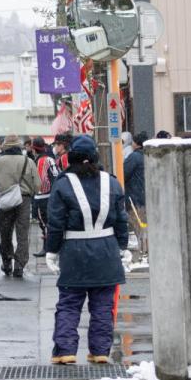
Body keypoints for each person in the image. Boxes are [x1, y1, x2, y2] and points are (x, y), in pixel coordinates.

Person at [46, 134, 130, 365]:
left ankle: (65, 351)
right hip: (106, 251)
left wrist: (51, 251)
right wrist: (123, 246)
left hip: (74, 252)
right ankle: (100, 350)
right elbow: (121, 220)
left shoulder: (63, 184)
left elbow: (56, 222)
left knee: (69, 304)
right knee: (103, 305)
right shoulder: (111, 182)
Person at [0, 135, 40, 278]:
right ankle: (19, 265)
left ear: (5, 146)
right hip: (24, 201)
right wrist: (29, 191)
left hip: (5, 199)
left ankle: (7, 262)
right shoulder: (28, 161)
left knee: (5, 233)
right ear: (19, 146)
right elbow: (37, 185)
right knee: (22, 234)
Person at [30, 137, 58, 256]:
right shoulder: (50, 158)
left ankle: (47, 248)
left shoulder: (41, 161)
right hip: (53, 195)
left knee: (45, 224)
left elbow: (41, 183)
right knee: (51, 222)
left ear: (34, 149)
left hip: (43, 197)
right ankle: (52, 247)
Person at [122, 132, 148, 255]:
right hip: (146, 196)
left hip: (135, 197)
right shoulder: (148, 155)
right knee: (145, 226)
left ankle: (142, 252)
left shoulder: (134, 157)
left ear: (136, 144)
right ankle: (146, 251)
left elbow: (123, 173)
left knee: (138, 227)